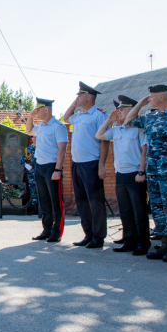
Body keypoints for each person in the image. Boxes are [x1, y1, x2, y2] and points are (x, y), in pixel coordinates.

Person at [125, 84, 167, 262]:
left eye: (151, 96)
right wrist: (139, 104)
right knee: (157, 209)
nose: (149, 99)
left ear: (162, 97)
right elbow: (128, 121)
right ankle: (164, 245)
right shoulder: (151, 116)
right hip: (153, 172)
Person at [96, 95, 150, 255]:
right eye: (118, 109)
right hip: (121, 174)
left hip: (135, 174)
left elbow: (145, 151)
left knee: (139, 211)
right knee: (125, 210)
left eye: (122, 109)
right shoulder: (116, 130)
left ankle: (143, 243)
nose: (118, 112)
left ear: (132, 110)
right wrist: (109, 120)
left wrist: (141, 172)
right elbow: (99, 135)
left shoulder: (139, 128)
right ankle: (129, 240)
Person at [64, 82, 109, 249]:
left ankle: (98, 237)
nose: (77, 98)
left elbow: (105, 142)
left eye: (80, 95)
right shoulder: (79, 116)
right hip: (77, 163)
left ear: (89, 97)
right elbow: (66, 118)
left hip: (91, 163)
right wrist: (74, 104)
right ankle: (88, 234)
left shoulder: (99, 115)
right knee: (82, 202)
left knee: (95, 202)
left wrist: (101, 165)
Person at [26, 98, 68, 242]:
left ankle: (57, 233)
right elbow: (29, 130)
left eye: (38, 110)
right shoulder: (41, 126)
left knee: (56, 201)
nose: (36, 112)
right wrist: (30, 117)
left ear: (46, 110)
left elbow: (62, 149)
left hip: (52, 166)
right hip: (40, 166)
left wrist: (57, 169)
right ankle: (47, 230)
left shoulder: (58, 126)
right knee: (44, 201)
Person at [21, 136, 38, 213]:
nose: (35, 139)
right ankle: (34, 208)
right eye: (33, 137)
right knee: (32, 190)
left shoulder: (43, 148)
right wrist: (26, 165)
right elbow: (22, 160)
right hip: (31, 174)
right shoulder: (28, 149)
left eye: (36, 137)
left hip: (41, 172)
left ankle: (42, 208)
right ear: (31, 138)